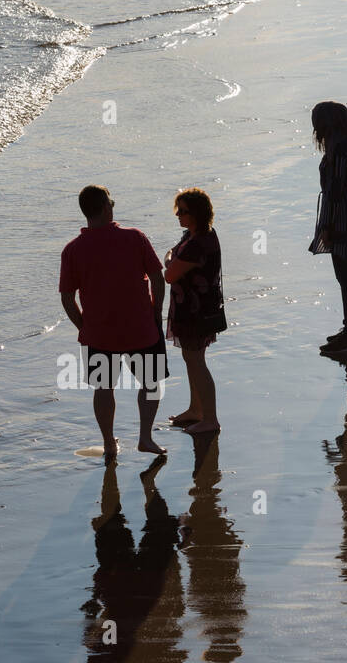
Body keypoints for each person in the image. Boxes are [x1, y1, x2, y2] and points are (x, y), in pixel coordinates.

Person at [60, 186, 169, 462]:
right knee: (151, 383)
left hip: (99, 332)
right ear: (107, 207)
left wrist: (83, 326)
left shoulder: (72, 250)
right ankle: (145, 437)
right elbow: (157, 277)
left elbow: (66, 297)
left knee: (103, 387)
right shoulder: (134, 237)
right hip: (141, 327)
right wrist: (157, 313)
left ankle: (109, 443)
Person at [309, 101, 347, 355]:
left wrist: (328, 226)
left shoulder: (339, 148)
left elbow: (335, 191)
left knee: (346, 274)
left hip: (344, 214)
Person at [164, 188, 225, 435]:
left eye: (184, 211)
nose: (178, 215)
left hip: (195, 311)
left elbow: (169, 274)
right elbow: (172, 257)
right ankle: (196, 409)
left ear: (197, 213)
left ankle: (210, 418)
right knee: (192, 359)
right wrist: (171, 258)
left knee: (197, 361)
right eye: (177, 210)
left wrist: (169, 260)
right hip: (194, 307)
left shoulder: (197, 243)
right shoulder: (195, 236)